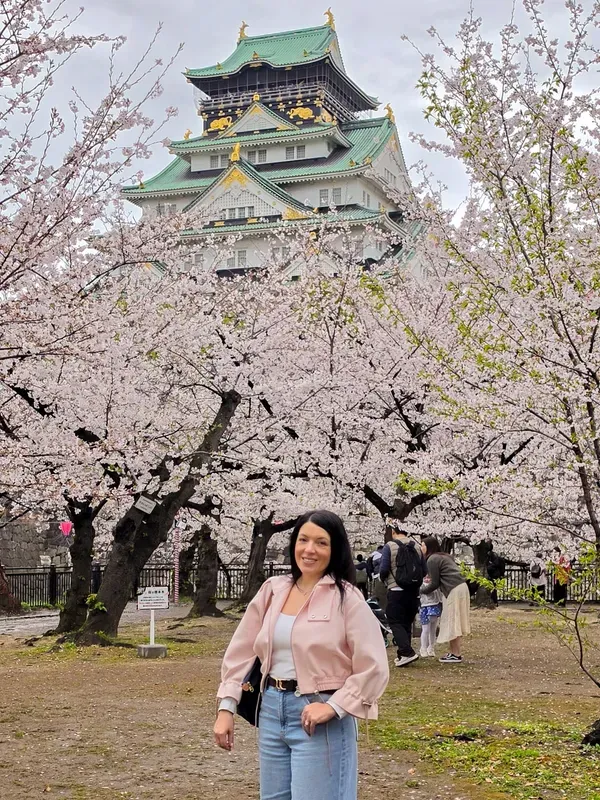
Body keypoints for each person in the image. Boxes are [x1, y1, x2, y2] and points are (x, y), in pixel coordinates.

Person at [213, 510, 389, 800]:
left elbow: (374, 666)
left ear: (335, 550)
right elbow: (241, 651)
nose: (310, 550)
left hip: (320, 716)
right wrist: (226, 707)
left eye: (321, 542)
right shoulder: (273, 590)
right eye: (303, 539)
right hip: (270, 710)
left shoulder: (347, 598)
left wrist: (335, 707)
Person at [379, 523, 426, 667]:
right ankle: (403, 655)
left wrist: (385, 580)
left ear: (394, 531)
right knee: (406, 622)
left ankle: (407, 652)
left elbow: (383, 569)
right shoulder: (417, 547)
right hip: (413, 591)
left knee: (395, 621)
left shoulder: (389, 546)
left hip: (396, 590)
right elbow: (424, 570)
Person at [421, 536, 471, 663]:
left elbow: (434, 583)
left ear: (429, 547)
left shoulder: (432, 559)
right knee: (456, 621)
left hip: (453, 589)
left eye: (423, 545)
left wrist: (421, 591)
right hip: (461, 587)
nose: (421, 548)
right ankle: (455, 652)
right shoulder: (445, 556)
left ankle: (455, 653)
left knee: (452, 620)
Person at [419, 570, 443, 657]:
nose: (427, 579)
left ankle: (431, 647)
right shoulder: (420, 586)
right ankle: (423, 648)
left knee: (433, 629)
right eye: (425, 577)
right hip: (424, 607)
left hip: (434, 606)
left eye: (428, 577)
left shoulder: (435, 586)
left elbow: (440, 596)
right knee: (425, 629)